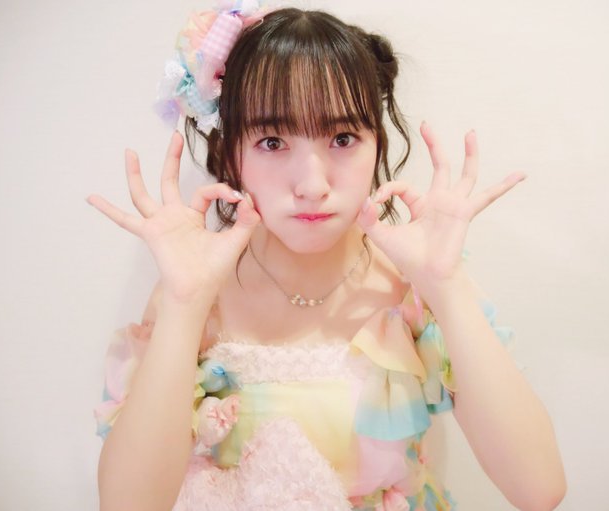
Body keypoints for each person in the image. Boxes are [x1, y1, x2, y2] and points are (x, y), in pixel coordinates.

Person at [88, 4, 566, 510]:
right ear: (232, 155)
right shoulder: (194, 289)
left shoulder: (416, 285)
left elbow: (538, 490)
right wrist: (184, 306)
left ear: (377, 145)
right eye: (273, 141)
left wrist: (445, 287)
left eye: (342, 138)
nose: (312, 185)